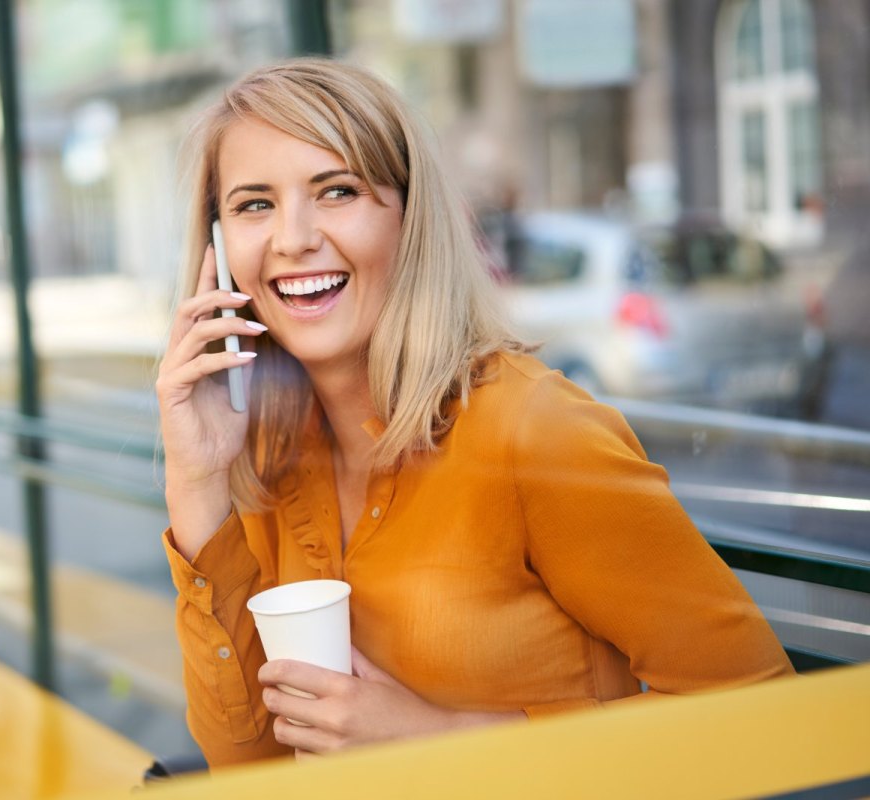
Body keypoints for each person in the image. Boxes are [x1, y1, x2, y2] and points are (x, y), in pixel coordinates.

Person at [155, 58, 793, 768]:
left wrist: (441, 739)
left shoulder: (534, 430)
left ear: (410, 219)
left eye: (336, 191)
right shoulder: (264, 456)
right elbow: (246, 765)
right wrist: (196, 484)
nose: (294, 238)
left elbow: (761, 716)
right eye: (254, 204)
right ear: (218, 249)